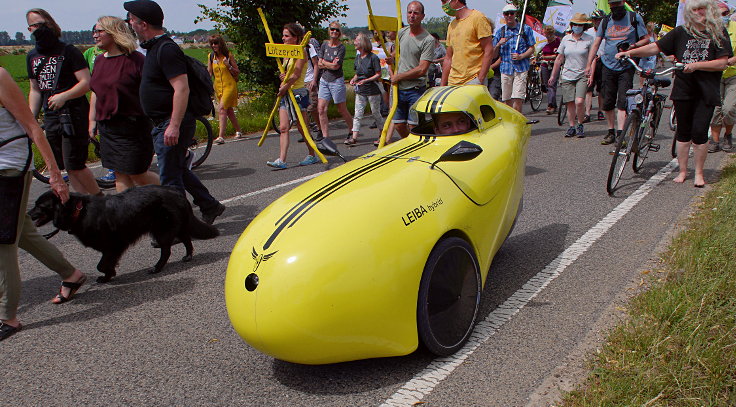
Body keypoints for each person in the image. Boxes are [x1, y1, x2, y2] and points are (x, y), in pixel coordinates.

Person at [1, 66, 88, 341]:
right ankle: (70, 274)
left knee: (3, 241)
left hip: (9, 166)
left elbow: (31, 126)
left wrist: (55, 175)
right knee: (22, 232)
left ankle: (8, 318)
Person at [124, 0, 226, 224]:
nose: (129, 24)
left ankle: (179, 226)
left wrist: (174, 125)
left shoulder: (166, 49)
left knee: (170, 180)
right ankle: (209, 205)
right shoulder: (154, 48)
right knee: (178, 169)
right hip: (163, 122)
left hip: (170, 123)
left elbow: (181, 88)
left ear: (143, 24)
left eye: (131, 20)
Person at [616, 0, 731, 188]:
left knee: (700, 133)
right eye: (695, 9)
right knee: (683, 132)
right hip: (683, 90)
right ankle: (683, 171)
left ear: (709, 10)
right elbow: (656, 47)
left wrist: (696, 66)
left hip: (706, 92)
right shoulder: (681, 32)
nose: (699, 12)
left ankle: (699, 173)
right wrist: (631, 53)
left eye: (702, 8)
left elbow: (721, 63)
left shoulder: (717, 33)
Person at [25, 8, 101, 196]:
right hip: (51, 117)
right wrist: (29, 119)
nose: (37, 29)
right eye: (32, 26)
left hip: (73, 114)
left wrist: (64, 96)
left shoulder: (68, 51)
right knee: (66, 166)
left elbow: (86, 82)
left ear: (50, 24)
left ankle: (99, 202)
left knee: (74, 164)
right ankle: (86, 203)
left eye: (40, 24)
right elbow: (35, 89)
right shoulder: (32, 56)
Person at [88, 16, 159, 193]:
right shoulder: (99, 61)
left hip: (133, 127)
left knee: (138, 174)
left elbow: (153, 91)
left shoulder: (136, 60)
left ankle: (172, 196)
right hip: (108, 128)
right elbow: (96, 92)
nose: (95, 35)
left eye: (99, 31)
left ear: (113, 33)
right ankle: (129, 217)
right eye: (94, 31)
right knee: (120, 174)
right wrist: (92, 122)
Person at [585, 0, 649, 145]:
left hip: (626, 66)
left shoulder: (634, 18)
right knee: (608, 101)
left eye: (617, 3)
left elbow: (646, 39)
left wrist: (633, 46)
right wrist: (588, 64)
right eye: (612, 5)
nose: (615, 7)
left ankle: (621, 133)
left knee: (622, 100)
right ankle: (610, 131)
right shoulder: (606, 20)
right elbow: (596, 43)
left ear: (623, 2)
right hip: (608, 65)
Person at [266, 23, 318, 169]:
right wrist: (282, 77)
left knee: (302, 126)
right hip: (286, 92)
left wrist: (286, 86)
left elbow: (295, 75)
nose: (283, 38)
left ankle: (312, 154)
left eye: (286, 36)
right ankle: (281, 160)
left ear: (295, 38)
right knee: (283, 127)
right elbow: (287, 74)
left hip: (298, 93)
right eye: (283, 35)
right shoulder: (286, 52)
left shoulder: (301, 52)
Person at [385, 1, 434, 139]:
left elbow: (422, 69)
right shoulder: (402, 33)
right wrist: (392, 59)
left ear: (422, 16)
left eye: (416, 13)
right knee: (399, 125)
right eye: (410, 12)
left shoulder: (428, 40)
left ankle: (418, 149)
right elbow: (398, 54)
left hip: (416, 89)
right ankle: (410, 146)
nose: (412, 16)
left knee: (414, 126)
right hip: (399, 89)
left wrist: (399, 76)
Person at [549, 13, 595, 138]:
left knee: (579, 101)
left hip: (582, 74)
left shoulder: (589, 39)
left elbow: (593, 59)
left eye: (580, 25)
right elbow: (559, 58)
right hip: (567, 74)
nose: (577, 27)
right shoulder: (566, 39)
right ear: (572, 25)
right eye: (575, 24)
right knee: (570, 102)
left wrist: (591, 74)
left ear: (583, 26)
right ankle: (571, 126)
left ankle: (580, 124)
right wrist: (553, 76)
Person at [492, 3, 535, 112]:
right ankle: (511, 122)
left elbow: (531, 48)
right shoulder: (500, 32)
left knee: (517, 98)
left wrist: (521, 56)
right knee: (507, 99)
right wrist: (498, 44)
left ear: (515, 14)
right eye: (507, 14)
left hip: (521, 68)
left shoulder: (525, 29)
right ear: (504, 15)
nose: (509, 16)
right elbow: (494, 54)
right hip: (506, 69)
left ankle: (517, 122)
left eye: (511, 13)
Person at [442, 0, 494, 87]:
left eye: (444, 1)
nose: (443, 6)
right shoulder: (452, 25)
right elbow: (448, 58)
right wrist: (442, 85)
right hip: (453, 83)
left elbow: (488, 50)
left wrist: (480, 79)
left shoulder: (478, 18)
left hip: (473, 81)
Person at [317, 21, 353, 142]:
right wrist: (329, 64)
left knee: (341, 108)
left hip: (336, 80)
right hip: (324, 80)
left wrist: (325, 63)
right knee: (321, 108)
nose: (334, 32)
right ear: (329, 30)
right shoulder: (324, 45)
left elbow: (336, 66)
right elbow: (319, 63)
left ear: (340, 33)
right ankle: (326, 136)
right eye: (332, 29)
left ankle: (352, 129)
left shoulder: (341, 48)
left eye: (337, 30)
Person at [709, 1, 736, 152]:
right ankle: (715, 140)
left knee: (729, 108)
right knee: (715, 109)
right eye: (718, 15)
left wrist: (732, 60)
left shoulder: (735, 29)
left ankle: (728, 134)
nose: (722, 17)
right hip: (715, 75)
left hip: (733, 74)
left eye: (725, 14)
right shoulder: (709, 30)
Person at [348, 32, 384, 145]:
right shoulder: (358, 57)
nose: (354, 42)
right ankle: (354, 137)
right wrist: (354, 79)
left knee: (375, 112)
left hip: (372, 90)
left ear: (363, 43)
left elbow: (378, 74)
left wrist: (366, 80)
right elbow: (358, 73)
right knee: (357, 114)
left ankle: (382, 133)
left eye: (357, 40)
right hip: (361, 90)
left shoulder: (373, 57)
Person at [207, 34, 243, 145]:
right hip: (218, 87)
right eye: (212, 43)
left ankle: (221, 136)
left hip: (229, 86)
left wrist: (229, 66)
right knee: (229, 110)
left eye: (216, 43)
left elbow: (237, 71)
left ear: (220, 44)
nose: (214, 45)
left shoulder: (228, 55)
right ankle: (238, 130)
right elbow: (209, 73)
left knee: (222, 109)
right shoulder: (211, 56)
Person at [585, 9, 607, 123]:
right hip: (591, 61)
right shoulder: (588, 33)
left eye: (600, 20)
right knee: (589, 87)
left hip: (603, 62)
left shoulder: (607, 32)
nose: (597, 22)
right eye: (595, 20)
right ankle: (587, 113)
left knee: (601, 89)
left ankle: (600, 111)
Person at [539, 25, 561, 114]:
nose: (547, 37)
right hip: (544, 64)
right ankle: (554, 104)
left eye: (549, 35)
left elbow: (558, 55)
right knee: (547, 85)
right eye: (546, 35)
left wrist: (547, 56)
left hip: (554, 64)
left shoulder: (558, 41)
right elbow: (538, 52)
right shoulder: (543, 42)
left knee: (552, 84)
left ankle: (550, 104)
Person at [304, 36, 322, 140]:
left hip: (309, 80)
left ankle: (320, 129)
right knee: (303, 110)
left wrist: (314, 80)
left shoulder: (309, 47)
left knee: (312, 108)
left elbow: (316, 64)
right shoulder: (292, 49)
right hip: (299, 82)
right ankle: (306, 133)